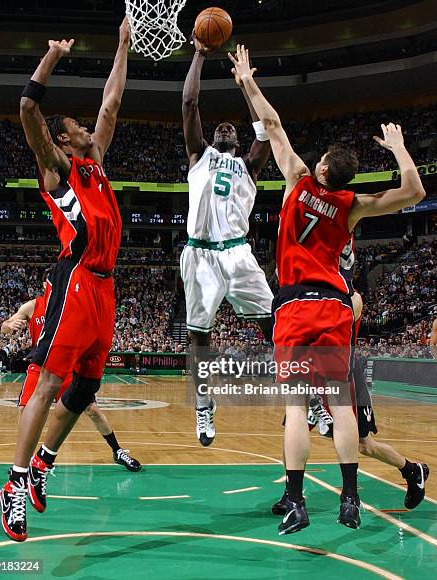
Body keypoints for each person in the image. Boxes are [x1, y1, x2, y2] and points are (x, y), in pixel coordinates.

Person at [229, 44, 425, 534]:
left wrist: (248, 81)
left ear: (318, 168)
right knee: (341, 410)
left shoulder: (296, 180)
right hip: (335, 308)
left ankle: (296, 502)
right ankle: (351, 501)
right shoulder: (351, 205)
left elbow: (272, 126)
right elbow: (414, 193)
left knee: (296, 409)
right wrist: (399, 148)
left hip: (293, 307)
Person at [0, 18, 131, 542]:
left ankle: (43, 464)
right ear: (63, 138)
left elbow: (111, 105)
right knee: (50, 383)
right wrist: (52, 55)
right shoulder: (57, 168)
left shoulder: (95, 161)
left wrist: (122, 44)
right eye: (79, 127)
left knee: (88, 386)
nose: (89, 129)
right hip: (75, 279)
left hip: (106, 287)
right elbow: (28, 108)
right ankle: (14, 482)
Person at [181, 34, 273, 446]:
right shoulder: (199, 154)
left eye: (230, 128)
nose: (223, 127)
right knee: (200, 335)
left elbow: (267, 132)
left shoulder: (249, 165)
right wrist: (199, 56)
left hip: (237, 252)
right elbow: (189, 105)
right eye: (219, 127)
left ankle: (308, 397)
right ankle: (204, 405)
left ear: (238, 141)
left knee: (279, 322)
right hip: (199, 254)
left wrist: (247, 86)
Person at [273, 291, 429, 515]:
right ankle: (291, 493)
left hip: (343, 371)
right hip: (308, 366)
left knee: (364, 445)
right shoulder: (305, 293)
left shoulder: (350, 298)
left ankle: (411, 470)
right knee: (294, 426)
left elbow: (335, 333)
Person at [0, 279, 141, 483]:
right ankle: (25, 463)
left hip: (68, 367)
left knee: (93, 410)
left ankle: (117, 451)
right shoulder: (32, 306)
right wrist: (9, 325)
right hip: (40, 366)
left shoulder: (73, 303)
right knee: (24, 410)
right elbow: (5, 327)